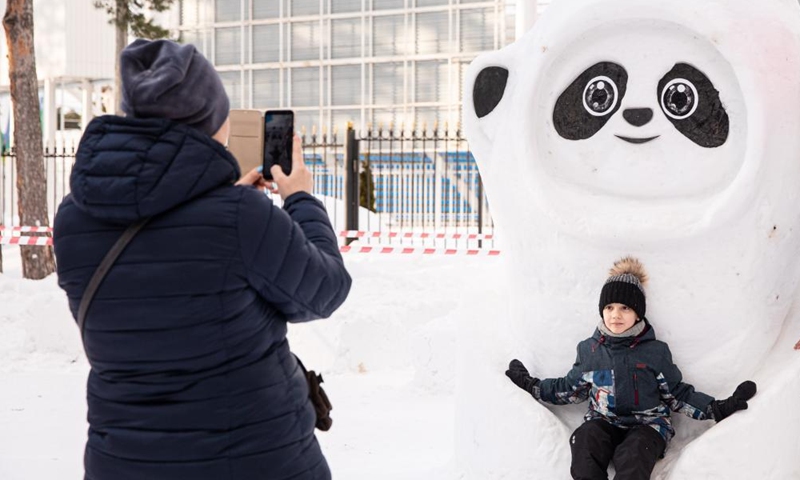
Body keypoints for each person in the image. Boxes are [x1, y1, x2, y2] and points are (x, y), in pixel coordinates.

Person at [53, 39, 352, 480]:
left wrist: (225, 208)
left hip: (123, 463)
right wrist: (300, 199)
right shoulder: (240, 220)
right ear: (212, 121)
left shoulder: (74, 219)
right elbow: (324, 291)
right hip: (257, 461)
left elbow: (157, 275)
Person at [505, 256, 756, 480]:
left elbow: (677, 394)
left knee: (635, 456)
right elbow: (569, 389)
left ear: (638, 314)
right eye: (609, 307)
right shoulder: (589, 351)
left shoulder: (655, 352)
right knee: (584, 441)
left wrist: (717, 408)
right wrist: (530, 385)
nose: (616, 314)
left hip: (647, 425)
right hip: (603, 421)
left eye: (625, 308)